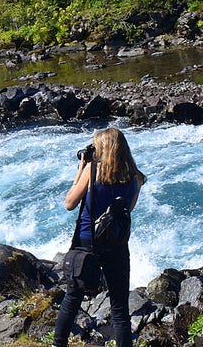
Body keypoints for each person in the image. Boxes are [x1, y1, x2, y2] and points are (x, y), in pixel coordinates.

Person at [53, 127, 146, 347]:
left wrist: (81, 169)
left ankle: (59, 344)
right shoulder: (136, 177)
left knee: (72, 298)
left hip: (88, 243)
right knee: (120, 308)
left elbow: (69, 203)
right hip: (117, 243)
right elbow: (126, 211)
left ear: (103, 148)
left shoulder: (92, 171)